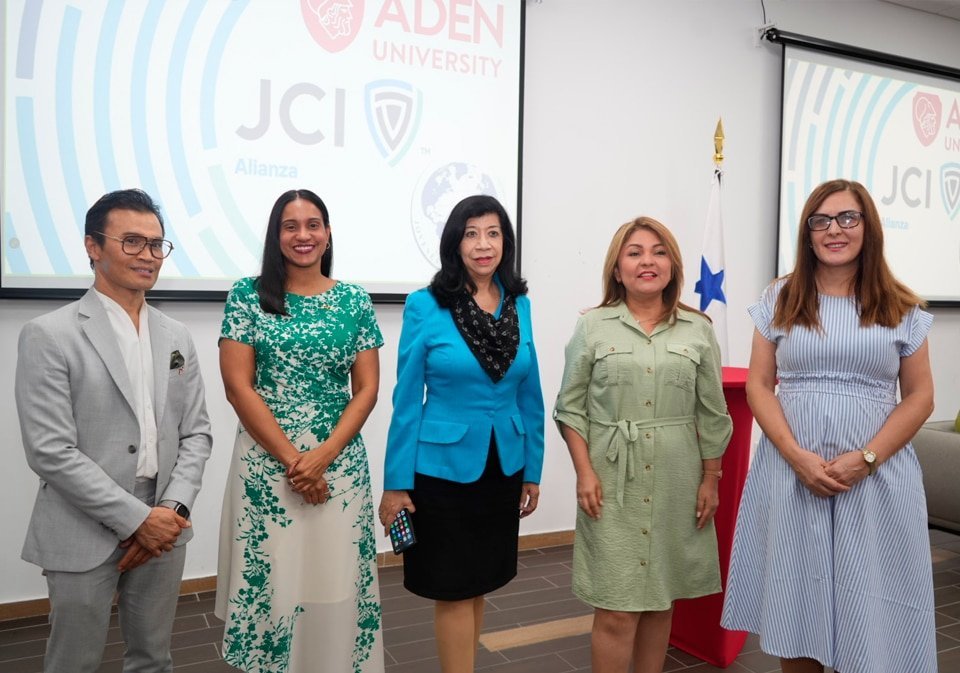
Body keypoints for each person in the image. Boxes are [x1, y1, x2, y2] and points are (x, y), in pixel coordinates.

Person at [721, 179, 936, 673]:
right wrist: (796, 456)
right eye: (821, 221)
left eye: (847, 218)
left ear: (868, 228)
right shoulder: (780, 296)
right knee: (796, 607)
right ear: (807, 232)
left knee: (873, 612)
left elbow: (921, 397)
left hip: (875, 478)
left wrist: (865, 459)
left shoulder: (902, 304)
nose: (833, 230)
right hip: (792, 473)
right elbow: (758, 386)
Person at [15, 189, 213, 673]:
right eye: (131, 242)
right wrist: (136, 520)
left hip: (166, 524)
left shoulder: (176, 336)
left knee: (153, 658)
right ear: (92, 246)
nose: (147, 256)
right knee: (73, 662)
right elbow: (50, 451)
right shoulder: (50, 334)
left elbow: (197, 434)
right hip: (80, 525)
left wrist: (170, 510)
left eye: (156, 245)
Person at [214, 189, 385, 673]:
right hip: (268, 467)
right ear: (276, 235)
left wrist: (323, 456)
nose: (303, 235)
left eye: (313, 224)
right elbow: (237, 386)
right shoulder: (247, 294)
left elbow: (368, 389)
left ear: (328, 233)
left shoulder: (354, 299)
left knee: (334, 579)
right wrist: (296, 461)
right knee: (273, 583)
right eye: (290, 226)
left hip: (340, 465)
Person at [554, 216, 732, 673]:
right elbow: (570, 408)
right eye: (634, 252)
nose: (647, 261)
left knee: (660, 600)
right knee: (615, 605)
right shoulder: (592, 327)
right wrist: (584, 472)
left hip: (678, 479)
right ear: (617, 269)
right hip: (612, 482)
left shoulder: (698, 329)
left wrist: (711, 479)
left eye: (658, 251)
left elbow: (713, 414)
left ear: (673, 265)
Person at [379, 194, 545, 673]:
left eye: (493, 233)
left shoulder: (520, 305)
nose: (483, 244)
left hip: (503, 465)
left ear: (505, 242)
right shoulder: (425, 305)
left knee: (479, 582)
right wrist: (396, 482)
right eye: (471, 233)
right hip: (441, 471)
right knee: (453, 587)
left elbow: (529, 395)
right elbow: (406, 398)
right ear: (455, 243)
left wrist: (532, 469)